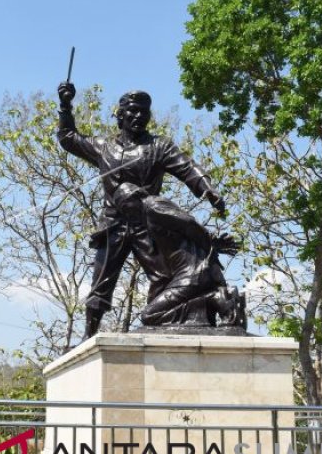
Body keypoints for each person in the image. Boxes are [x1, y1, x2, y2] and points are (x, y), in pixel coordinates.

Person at [57, 82, 227, 339]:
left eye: (144, 113)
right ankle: (88, 337)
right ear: (120, 115)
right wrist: (65, 105)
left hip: (147, 226)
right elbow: (69, 139)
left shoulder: (160, 147)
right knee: (101, 283)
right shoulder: (104, 146)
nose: (139, 117)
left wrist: (207, 188)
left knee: (162, 277)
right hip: (113, 226)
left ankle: (161, 325)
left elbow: (187, 167)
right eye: (133, 111)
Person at [113, 182, 243, 327]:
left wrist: (211, 242)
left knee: (149, 315)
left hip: (193, 273)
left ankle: (216, 298)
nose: (126, 213)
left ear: (135, 196)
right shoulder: (150, 211)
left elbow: (187, 223)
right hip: (193, 272)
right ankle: (216, 299)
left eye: (125, 206)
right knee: (152, 314)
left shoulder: (152, 207)